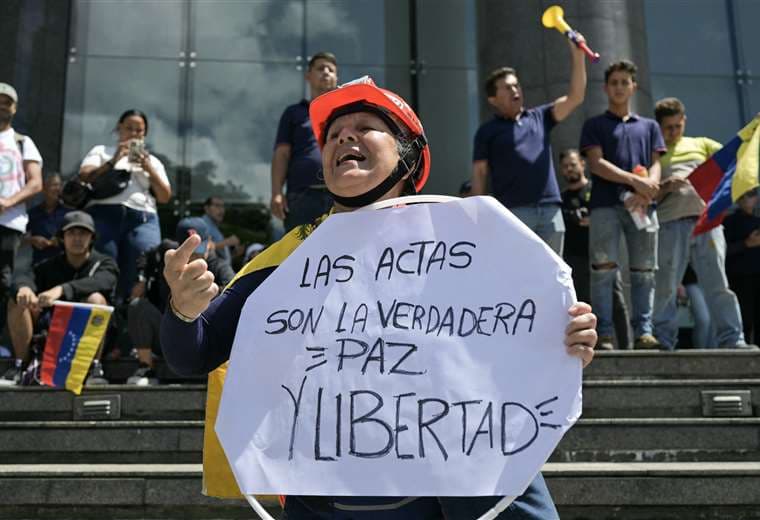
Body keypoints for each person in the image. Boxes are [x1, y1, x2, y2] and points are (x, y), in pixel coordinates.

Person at [161, 76, 597, 519]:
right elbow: (191, 356)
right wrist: (183, 309)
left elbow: (529, 333)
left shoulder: (473, 242)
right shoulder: (288, 258)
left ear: (408, 157)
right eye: (333, 134)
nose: (344, 136)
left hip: (475, 478)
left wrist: (565, 339)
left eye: (365, 126)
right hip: (329, 498)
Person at [470, 34, 587, 255]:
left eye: (516, 86)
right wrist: (478, 214)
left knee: (552, 278)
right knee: (518, 279)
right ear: (492, 99)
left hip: (550, 211)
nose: (515, 91)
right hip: (513, 213)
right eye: (507, 88)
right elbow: (479, 174)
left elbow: (576, 97)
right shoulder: (486, 132)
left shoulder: (540, 116)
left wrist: (578, 55)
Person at [651, 97, 751, 349]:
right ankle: (664, 340)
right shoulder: (654, 151)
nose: (673, 132)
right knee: (666, 286)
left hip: (707, 222)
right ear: (659, 126)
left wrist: (753, 131)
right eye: (668, 127)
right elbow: (646, 191)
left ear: (684, 120)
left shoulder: (701, 144)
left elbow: (737, 158)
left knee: (718, 284)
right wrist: (665, 186)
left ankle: (732, 338)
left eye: (677, 125)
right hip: (669, 223)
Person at [580, 60, 665, 351]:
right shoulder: (594, 125)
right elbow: (596, 164)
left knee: (644, 271)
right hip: (605, 207)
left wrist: (649, 188)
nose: (618, 87)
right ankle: (603, 334)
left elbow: (656, 164)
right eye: (613, 82)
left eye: (624, 82)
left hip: (643, 207)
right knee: (603, 270)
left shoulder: (650, 126)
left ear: (633, 87)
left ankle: (644, 332)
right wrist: (636, 182)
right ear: (605, 88)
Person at [0, 211, 118, 386]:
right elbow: (25, 276)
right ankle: (21, 366)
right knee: (18, 301)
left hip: (94, 341)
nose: (77, 239)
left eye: (83, 233)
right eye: (71, 233)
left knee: (96, 300)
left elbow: (104, 281)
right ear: (62, 238)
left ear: (92, 238)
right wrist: (24, 288)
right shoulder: (50, 265)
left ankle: (94, 368)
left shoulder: (105, 263)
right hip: (52, 333)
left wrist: (61, 290)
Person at [126, 217, 234, 386]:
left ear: (209, 243)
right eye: (190, 248)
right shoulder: (164, 260)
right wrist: (142, 278)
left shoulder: (219, 266)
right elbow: (144, 258)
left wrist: (203, 292)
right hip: (167, 332)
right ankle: (145, 366)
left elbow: (231, 292)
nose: (195, 254)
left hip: (204, 337)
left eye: (199, 248)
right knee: (137, 307)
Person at [79, 109, 171, 300]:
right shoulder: (102, 151)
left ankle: (132, 318)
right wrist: (114, 160)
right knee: (103, 268)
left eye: (139, 130)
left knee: (144, 268)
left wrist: (148, 168)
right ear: (119, 128)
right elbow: (85, 176)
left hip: (142, 218)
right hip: (105, 213)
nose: (134, 134)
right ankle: (104, 316)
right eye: (129, 128)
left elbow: (164, 196)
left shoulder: (153, 161)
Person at [559, 149, 631, 349]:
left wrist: (596, 221)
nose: (569, 169)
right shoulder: (560, 198)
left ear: (583, 164)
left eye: (572, 164)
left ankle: (627, 346)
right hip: (575, 259)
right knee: (581, 305)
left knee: (615, 300)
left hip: (603, 256)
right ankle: (592, 348)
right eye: (564, 166)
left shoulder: (596, 192)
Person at [271, 52, 338, 232]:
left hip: (341, 194)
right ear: (308, 76)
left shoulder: (345, 113)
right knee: (299, 253)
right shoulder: (294, 113)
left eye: (330, 70)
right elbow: (282, 154)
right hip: (302, 197)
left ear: (336, 78)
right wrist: (277, 192)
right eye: (320, 68)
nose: (326, 72)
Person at [0, 82, 43, 305]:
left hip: (9, 224)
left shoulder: (23, 142)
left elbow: (36, 183)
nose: (2, 106)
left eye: (7, 103)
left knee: (3, 283)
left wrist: (8, 202)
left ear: (15, 108)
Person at [724, 189, 760, 345]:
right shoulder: (729, 222)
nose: (747, 199)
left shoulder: (758, 221)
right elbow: (723, 250)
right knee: (743, 317)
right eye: (743, 195)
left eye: (751, 194)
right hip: (738, 277)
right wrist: (746, 244)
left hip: (757, 275)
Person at [26, 171, 70, 265]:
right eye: (54, 185)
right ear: (44, 189)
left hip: (64, 264)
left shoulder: (68, 213)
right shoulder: (33, 213)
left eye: (60, 185)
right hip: (39, 264)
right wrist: (31, 240)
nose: (58, 189)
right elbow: (18, 237)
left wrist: (59, 241)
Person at [202, 196, 240, 265]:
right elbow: (201, 248)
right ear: (206, 208)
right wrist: (228, 242)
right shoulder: (201, 225)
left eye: (222, 206)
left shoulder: (215, 226)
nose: (221, 210)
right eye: (217, 205)